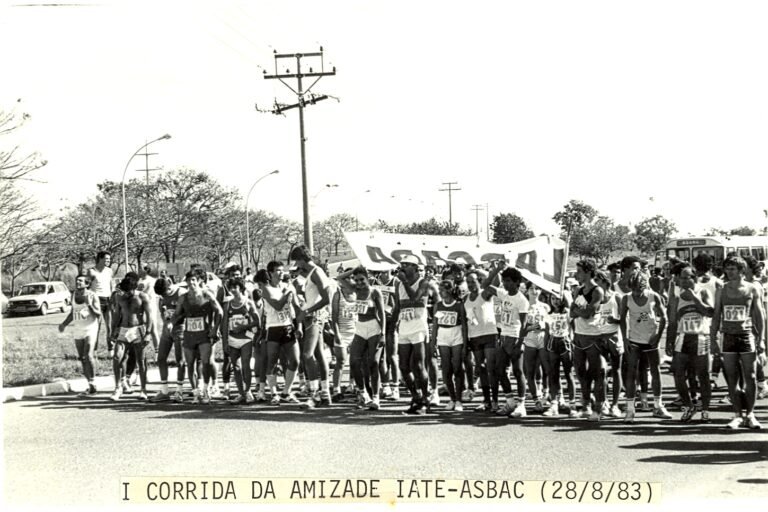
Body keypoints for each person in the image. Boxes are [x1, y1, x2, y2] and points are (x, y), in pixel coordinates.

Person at [711, 255, 765, 429]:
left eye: (733, 269)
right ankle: (737, 415)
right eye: (727, 269)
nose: (729, 272)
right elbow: (717, 315)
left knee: (751, 376)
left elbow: (759, 315)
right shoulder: (722, 289)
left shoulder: (752, 289)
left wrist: (761, 339)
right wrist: (713, 339)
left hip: (746, 336)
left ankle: (750, 414)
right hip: (728, 337)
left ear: (742, 271)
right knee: (732, 378)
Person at [619, 272, 670, 423]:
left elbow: (664, 318)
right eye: (634, 290)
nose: (637, 293)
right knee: (631, 372)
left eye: (639, 290)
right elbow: (622, 319)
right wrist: (625, 339)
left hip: (651, 339)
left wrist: (658, 337)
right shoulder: (626, 298)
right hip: (634, 339)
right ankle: (630, 409)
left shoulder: (654, 296)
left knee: (655, 371)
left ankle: (658, 406)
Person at [667, 263, 714, 423]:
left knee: (703, 375)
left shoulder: (703, 291)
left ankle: (705, 409)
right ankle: (688, 405)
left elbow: (710, 312)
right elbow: (672, 321)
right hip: (683, 337)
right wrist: (669, 341)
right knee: (678, 374)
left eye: (688, 278)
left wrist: (695, 298)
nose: (685, 281)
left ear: (695, 278)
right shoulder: (676, 296)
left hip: (701, 336)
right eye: (682, 278)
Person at [482, 261, 529, 418]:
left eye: (509, 281)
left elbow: (525, 324)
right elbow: (485, 284)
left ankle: (521, 404)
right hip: (503, 335)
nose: (505, 284)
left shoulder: (522, 300)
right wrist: (496, 269)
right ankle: (510, 401)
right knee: (499, 370)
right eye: (504, 280)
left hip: (515, 337)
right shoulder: (503, 294)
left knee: (518, 371)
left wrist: (520, 343)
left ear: (517, 282)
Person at [290, 246, 333, 408]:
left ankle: (314, 394)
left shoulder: (316, 272)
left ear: (301, 259)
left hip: (314, 318)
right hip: (312, 317)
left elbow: (326, 298)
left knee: (307, 356)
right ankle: (325, 393)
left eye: (297, 261)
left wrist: (307, 311)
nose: (297, 265)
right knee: (319, 354)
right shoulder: (311, 274)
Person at [173, 268, 223, 404]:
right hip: (189, 334)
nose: (191, 283)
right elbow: (176, 315)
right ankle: (196, 392)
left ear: (199, 281)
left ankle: (206, 390)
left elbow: (220, 311)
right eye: (188, 280)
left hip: (204, 334)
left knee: (205, 362)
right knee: (190, 364)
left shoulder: (207, 294)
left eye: (193, 280)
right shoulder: (183, 297)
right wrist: (174, 321)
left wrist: (215, 328)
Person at [395, 255, 433, 414]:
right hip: (404, 325)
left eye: (406, 264)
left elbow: (415, 297)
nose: (403, 267)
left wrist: (404, 281)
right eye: (402, 264)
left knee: (418, 365)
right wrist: (391, 327)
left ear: (415, 267)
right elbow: (398, 305)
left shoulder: (423, 282)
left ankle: (425, 398)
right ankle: (416, 396)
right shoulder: (399, 284)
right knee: (403, 366)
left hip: (418, 326)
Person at [570, 259, 606, 421]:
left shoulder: (597, 291)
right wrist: (579, 311)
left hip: (593, 336)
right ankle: (586, 406)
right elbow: (572, 312)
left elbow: (588, 313)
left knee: (597, 373)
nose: (576, 275)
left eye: (579, 271)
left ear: (588, 272)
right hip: (578, 335)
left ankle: (598, 408)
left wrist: (579, 311)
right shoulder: (578, 290)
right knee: (580, 372)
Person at [109, 272, 154, 401]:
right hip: (123, 329)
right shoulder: (119, 297)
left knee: (141, 360)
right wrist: (113, 331)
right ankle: (118, 387)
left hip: (137, 329)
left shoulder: (142, 297)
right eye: (125, 291)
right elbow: (117, 314)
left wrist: (148, 333)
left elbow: (150, 316)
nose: (126, 294)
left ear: (134, 289)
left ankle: (143, 390)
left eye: (129, 291)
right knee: (117, 357)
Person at [262, 261, 300, 405]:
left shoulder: (287, 286)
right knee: (272, 361)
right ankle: (273, 393)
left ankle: (286, 392)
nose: (281, 273)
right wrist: (287, 293)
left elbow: (295, 306)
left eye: (281, 270)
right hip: (273, 327)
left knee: (295, 360)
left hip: (288, 326)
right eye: (277, 270)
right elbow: (277, 306)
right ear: (270, 273)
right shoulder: (266, 289)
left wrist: (299, 325)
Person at [349, 267, 386, 409]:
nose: (359, 283)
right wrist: (352, 271)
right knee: (353, 362)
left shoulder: (375, 292)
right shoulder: (354, 290)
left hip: (374, 328)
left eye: (362, 280)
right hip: (359, 328)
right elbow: (340, 279)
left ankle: (376, 397)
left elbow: (382, 313)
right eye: (356, 280)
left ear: (367, 278)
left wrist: (382, 333)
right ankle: (363, 393)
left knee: (374, 362)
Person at [58, 274, 101, 396]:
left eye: (81, 281)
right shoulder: (73, 295)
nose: (78, 282)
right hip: (78, 328)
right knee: (82, 358)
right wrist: (64, 324)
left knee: (88, 355)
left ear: (87, 284)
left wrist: (90, 304)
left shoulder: (92, 295)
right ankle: (90, 385)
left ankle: (93, 382)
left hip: (91, 328)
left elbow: (99, 314)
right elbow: (73, 313)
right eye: (77, 280)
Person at [464, 270, 498, 412]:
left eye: (473, 281)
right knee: (481, 369)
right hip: (475, 336)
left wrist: (495, 270)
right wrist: (466, 341)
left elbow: (492, 282)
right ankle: (487, 401)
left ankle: (495, 401)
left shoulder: (484, 293)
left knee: (491, 368)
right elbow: (466, 320)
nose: (470, 284)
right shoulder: (465, 298)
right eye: (468, 282)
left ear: (479, 281)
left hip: (489, 334)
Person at [223, 278, 261, 404]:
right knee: (236, 368)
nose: (233, 290)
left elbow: (257, 321)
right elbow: (224, 325)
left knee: (245, 366)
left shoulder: (248, 303)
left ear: (241, 288)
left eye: (235, 287)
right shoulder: (228, 304)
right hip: (232, 339)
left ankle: (248, 391)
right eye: (231, 288)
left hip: (246, 338)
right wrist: (225, 342)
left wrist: (243, 327)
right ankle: (241, 393)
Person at [432, 279, 468, 411]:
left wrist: (465, 343)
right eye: (440, 290)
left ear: (450, 290)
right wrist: (433, 343)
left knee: (457, 368)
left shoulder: (459, 305)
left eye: (443, 289)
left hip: (456, 336)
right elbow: (435, 326)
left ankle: (459, 400)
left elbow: (464, 324)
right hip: (443, 337)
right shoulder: (438, 305)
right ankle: (452, 399)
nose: (441, 292)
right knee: (446, 369)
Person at [151, 278, 187, 402]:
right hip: (168, 329)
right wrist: (166, 321)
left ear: (169, 287)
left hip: (180, 328)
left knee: (180, 360)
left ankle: (179, 390)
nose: (163, 296)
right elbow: (162, 311)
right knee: (161, 358)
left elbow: (185, 312)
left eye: (164, 293)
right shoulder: (161, 296)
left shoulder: (181, 293)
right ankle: (164, 390)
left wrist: (173, 321)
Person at [595, 270, 624, 418]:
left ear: (605, 282)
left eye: (598, 281)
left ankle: (615, 404)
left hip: (614, 336)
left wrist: (616, 320)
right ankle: (604, 401)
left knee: (617, 370)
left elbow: (626, 319)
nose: (595, 284)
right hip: (599, 337)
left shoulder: (616, 297)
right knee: (601, 371)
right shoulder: (594, 298)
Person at [542, 292, 574, 416]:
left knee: (569, 374)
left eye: (557, 298)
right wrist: (545, 348)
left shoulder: (567, 312)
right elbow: (546, 332)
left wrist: (573, 343)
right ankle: (554, 404)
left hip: (565, 343)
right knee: (553, 374)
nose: (555, 301)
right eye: (552, 298)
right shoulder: (548, 314)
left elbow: (573, 328)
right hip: (552, 343)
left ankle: (572, 405)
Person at [521, 283, 550, 413]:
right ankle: (536, 399)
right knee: (530, 372)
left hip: (543, 339)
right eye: (531, 288)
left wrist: (543, 326)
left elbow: (551, 323)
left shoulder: (545, 307)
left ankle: (548, 395)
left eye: (537, 288)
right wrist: (532, 327)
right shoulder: (524, 306)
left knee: (547, 369)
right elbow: (520, 328)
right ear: (527, 291)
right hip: (529, 340)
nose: (534, 291)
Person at [330, 269, 357, 401]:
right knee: (341, 361)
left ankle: (352, 385)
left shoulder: (359, 293)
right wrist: (337, 334)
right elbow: (334, 317)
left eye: (353, 278)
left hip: (357, 331)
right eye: (349, 278)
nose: (351, 280)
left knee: (355, 361)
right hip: (342, 331)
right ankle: (336, 389)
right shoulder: (338, 295)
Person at [374, 268, 400, 400]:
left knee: (392, 356)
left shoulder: (396, 282)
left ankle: (396, 387)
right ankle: (386, 386)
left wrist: (395, 321)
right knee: (380, 358)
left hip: (391, 322)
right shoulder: (374, 281)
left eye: (386, 271)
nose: (383, 273)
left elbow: (398, 305)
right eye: (381, 271)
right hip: (377, 322)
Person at [89, 251, 114, 354]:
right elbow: (87, 287)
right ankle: (94, 350)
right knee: (96, 326)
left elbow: (111, 285)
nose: (108, 261)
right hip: (97, 300)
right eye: (106, 259)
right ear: (100, 258)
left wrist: (113, 297)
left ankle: (111, 349)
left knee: (110, 326)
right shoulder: (91, 271)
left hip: (108, 299)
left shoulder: (109, 271)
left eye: (109, 259)